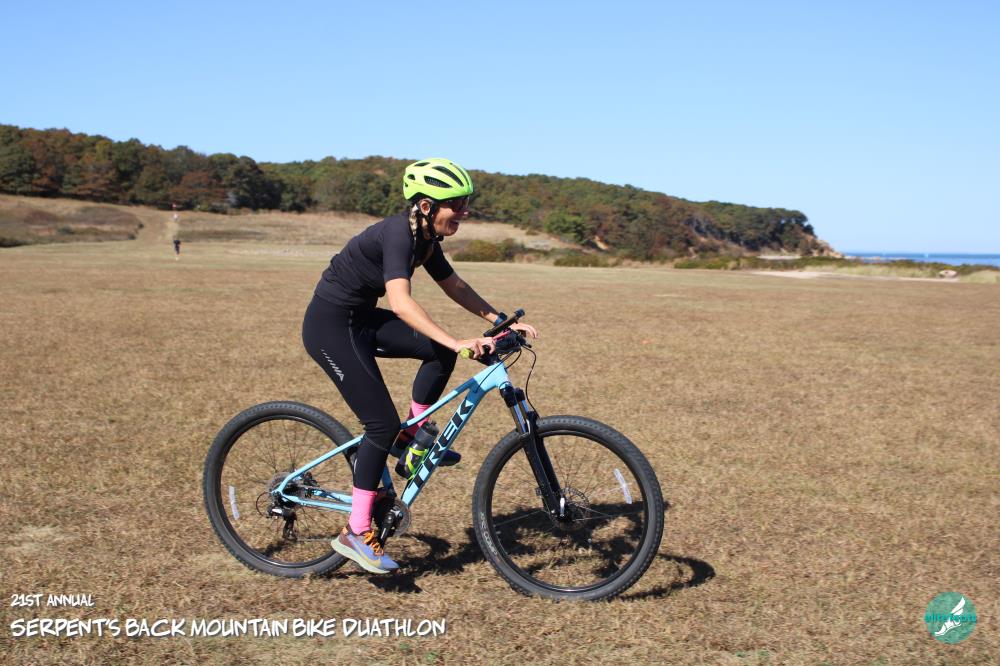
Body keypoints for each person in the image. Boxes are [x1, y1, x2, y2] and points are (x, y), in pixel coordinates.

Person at [302, 158, 538, 573]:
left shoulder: (425, 238)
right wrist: (457, 341)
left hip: (362, 320)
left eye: (466, 204)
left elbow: (455, 285)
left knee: (438, 353)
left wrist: (500, 321)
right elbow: (400, 302)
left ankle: (410, 437)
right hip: (331, 327)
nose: (465, 212)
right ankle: (356, 531)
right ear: (426, 206)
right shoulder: (398, 234)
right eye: (457, 205)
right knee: (379, 424)